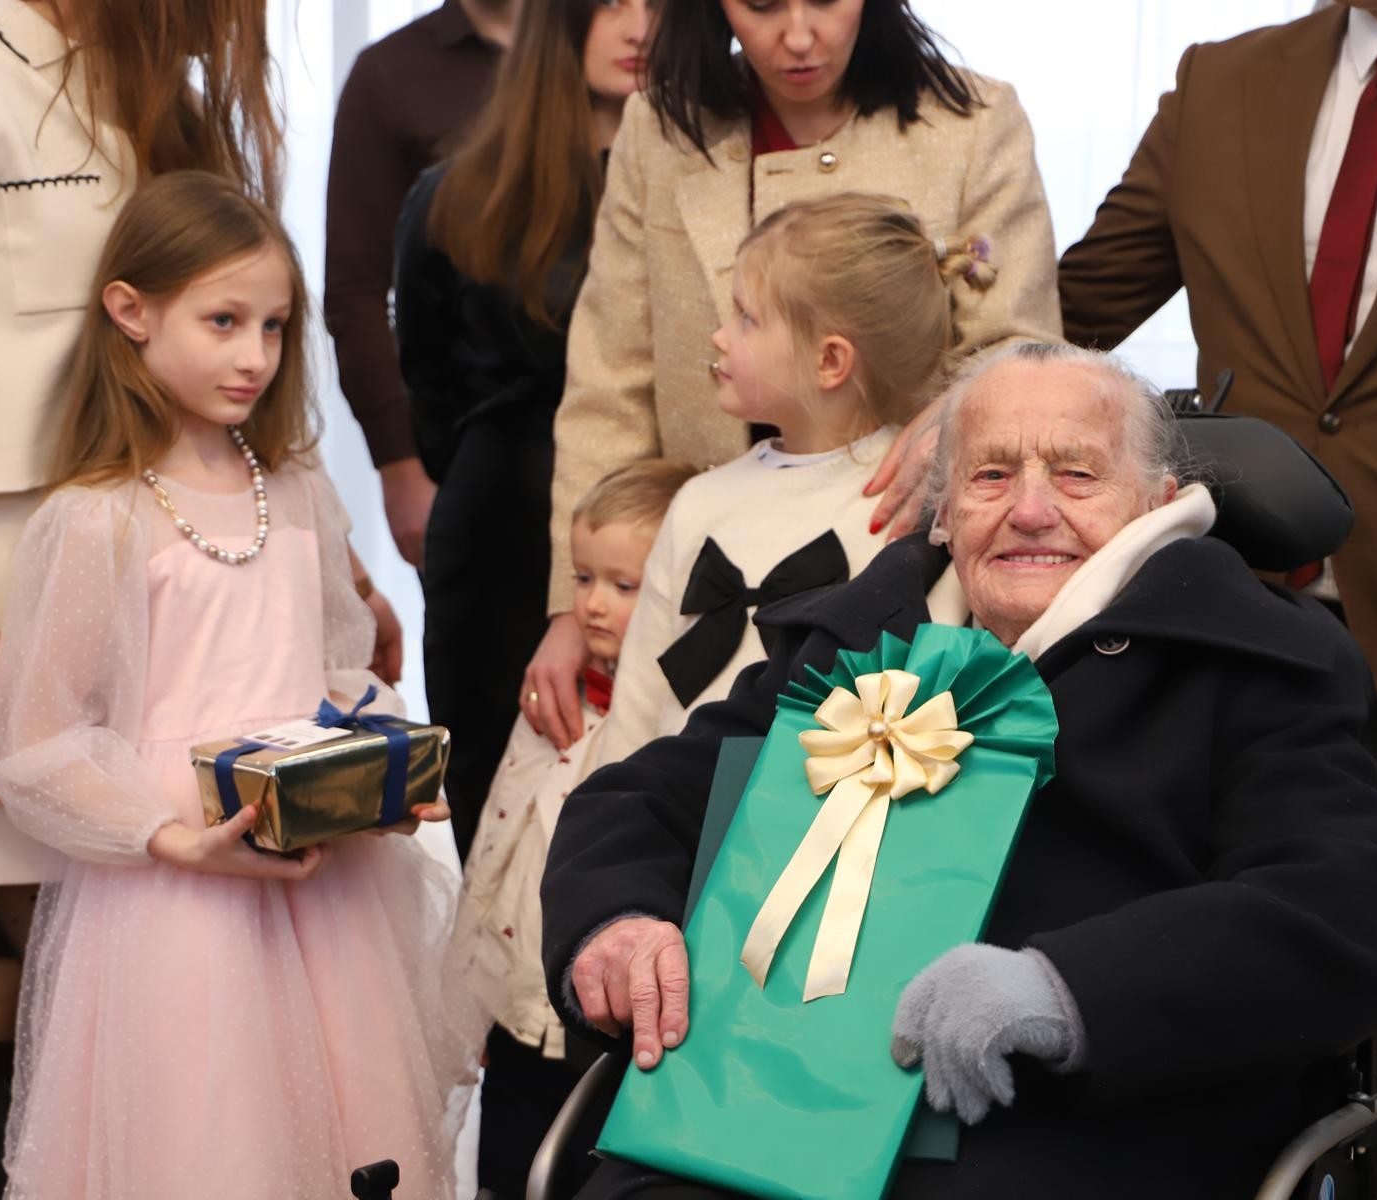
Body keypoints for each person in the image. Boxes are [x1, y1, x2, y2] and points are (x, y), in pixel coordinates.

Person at [541, 343, 1377, 1199]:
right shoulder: (856, 638)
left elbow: (1343, 906)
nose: (1030, 510)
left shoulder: (1253, 660)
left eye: (1077, 475)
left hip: (1067, 1132)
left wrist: (1070, 991)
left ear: (1158, 502)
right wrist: (617, 922)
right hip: (752, 1114)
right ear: (943, 511)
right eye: (991, 475)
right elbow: (641, 799)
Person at [0, 3, 363, 1194]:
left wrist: (317, 542)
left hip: (191, 562)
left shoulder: (158, 84)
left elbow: (237, 331)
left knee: (158, 946)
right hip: (11, 580)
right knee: (14, 942)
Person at [1057, 0, 1377, 1167]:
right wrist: (967, 401)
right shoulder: (1223, 82)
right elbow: (1067, 314)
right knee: (1243, 1010)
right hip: (1233, 638)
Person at [0, 172, 476, 1200]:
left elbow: (338, 674)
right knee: (215, 1140)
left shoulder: (297, 492)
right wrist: (170, 839)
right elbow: (35, 742)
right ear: (132, 311)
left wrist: (377, 777)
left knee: (347, 1130)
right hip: (179, 901)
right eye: (224, 321)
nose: (256, 355)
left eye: (275, 326)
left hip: (327, 891)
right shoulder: (97, 518)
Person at [521, 0, 1063, 756]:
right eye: (763, 5)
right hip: (690, 569)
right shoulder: (661, 124)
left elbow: (1020, 353)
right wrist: (576, 599)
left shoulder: (972, 122)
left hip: (890, 536)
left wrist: (955, 425)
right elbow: (610, 379)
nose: (800, 36)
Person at [596, 192, 992, 768]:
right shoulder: (699, 501)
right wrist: (612, 802)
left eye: (746, 318)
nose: (720, 336)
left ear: (829, 361)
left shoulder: (909, 506)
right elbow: (636, 701)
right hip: (675, 799)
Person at [394, 0, 655, 860]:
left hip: (652, 521)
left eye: (661, 4)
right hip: (496, 530)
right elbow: (426, 377)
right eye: (613, 2)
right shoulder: (456, 193)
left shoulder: (693, 187)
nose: (641, 26)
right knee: (494, 814)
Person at [450, 458, 694, 1200]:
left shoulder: (672, 728)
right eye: (583, 578)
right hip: (516, 1008)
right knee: (505, 1170)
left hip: (596, 1022)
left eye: (624, 585)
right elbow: (497, 849)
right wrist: (476, 995)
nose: (592, 604)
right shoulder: (553, 704)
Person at [326, 0, 514, 568]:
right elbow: (356, 290)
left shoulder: (608, 45)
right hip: (461, 447)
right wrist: (399, 467)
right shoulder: (390, 72)